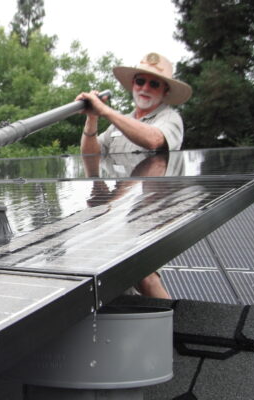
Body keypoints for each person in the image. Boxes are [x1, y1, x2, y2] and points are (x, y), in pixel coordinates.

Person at [77, 52, 193, 299]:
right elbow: (91, 156)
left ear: (165, 92)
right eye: (140, 81)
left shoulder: (169, 118)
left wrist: (106, 111)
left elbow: (154, 140)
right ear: (133, 84)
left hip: (151, 213)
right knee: (115, 270)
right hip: (117, 215)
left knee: (145, 276)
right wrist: (92, 118)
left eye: (154, 84)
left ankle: (174, 331)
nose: (145, 88)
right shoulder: (122, 121)